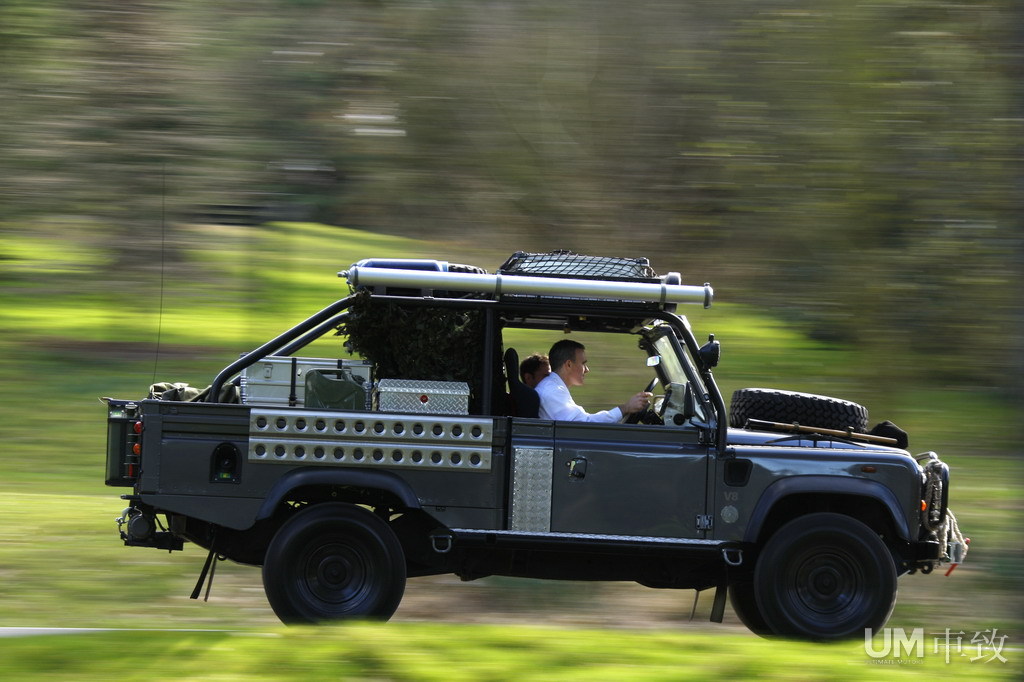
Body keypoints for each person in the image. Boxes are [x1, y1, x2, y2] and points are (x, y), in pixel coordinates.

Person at [536, 339, 650, 422]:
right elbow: (584, 425)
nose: (587, 370)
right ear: (569, 365)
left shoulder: (555, 388)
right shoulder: (552, 391)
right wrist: (625, 408)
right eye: (583, 364)